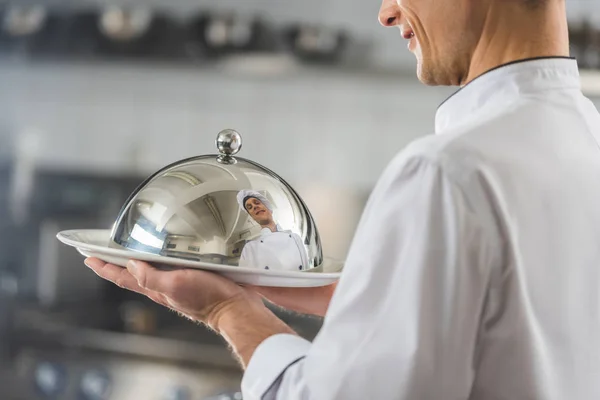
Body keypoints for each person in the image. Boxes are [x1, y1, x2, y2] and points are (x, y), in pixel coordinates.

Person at [84, 0, 600, 398]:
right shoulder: (585, 136)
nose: (385, 12)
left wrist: (227, 309)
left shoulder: (447, 173)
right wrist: (355, 294)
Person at [236, 190, 309, 271]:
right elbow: (246, 280)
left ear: (268, 208)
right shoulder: (249, 248)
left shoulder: (295, 238)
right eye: (250, 207)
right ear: (252, 217)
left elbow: (307, 272)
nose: (254, 207)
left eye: (257, 203)